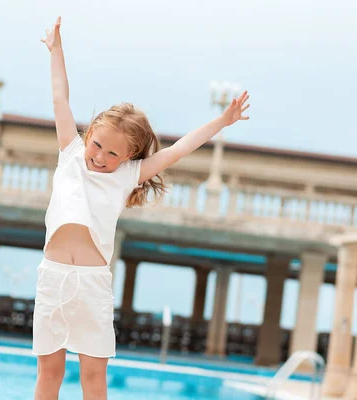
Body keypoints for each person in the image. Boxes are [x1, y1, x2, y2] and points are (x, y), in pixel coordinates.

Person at [33, 16, 250, 400]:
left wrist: (222, 121)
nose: (99, 157)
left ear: (130, 155)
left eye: (112, 153)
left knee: (93, 377)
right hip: (52, 278)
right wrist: (57, 50)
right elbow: (59, 97)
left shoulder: (127, 175)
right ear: (91, 130)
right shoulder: (70, 152)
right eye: (97, 144)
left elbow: (179, 149)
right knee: (50, 372)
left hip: (93, 284)